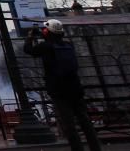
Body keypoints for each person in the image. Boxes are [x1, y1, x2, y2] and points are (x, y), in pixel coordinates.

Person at [24, 19, 101, 151]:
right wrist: (45, 34)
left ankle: (77, 148)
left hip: (59, 89)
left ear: (48, 32)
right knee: (85, 121)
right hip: (75, 87)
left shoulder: (46, 47)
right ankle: (95, 147)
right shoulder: (68, 45)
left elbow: (29, 50)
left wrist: (30, 37)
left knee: (69, 124)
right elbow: (53, 40)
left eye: (45, 30)